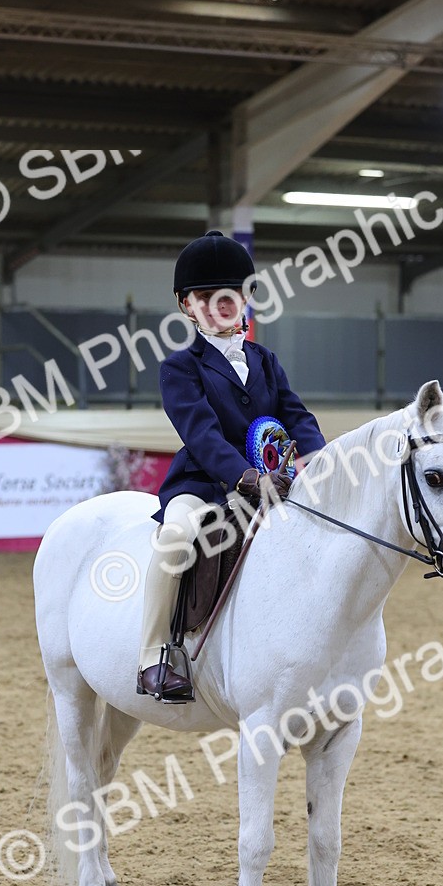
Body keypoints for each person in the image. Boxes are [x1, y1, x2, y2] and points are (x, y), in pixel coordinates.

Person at [137, 229, 326, 701]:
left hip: (273, 481)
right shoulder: (180, 368)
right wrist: (244, 476)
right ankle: (153, 655)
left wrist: (323, 462)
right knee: (176, 537)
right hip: (205, 483)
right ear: (186, 305)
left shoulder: (264, 360)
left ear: (246, 299)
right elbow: (200, 433)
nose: (221, 305)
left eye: (231, 294)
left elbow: (296, 415)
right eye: (206, 296)